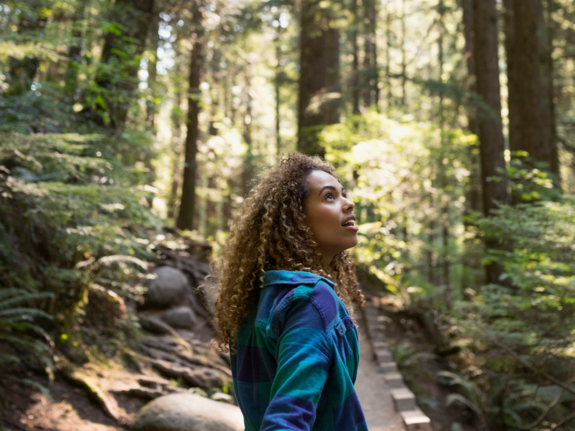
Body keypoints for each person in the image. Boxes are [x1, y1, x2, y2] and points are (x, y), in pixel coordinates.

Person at [213, 152, 368, 431]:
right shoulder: (310, 300)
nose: (349, 203)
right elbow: (287, 419)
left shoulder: (260, 296)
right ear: (296, 218)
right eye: (329, 197)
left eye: (343, 194)